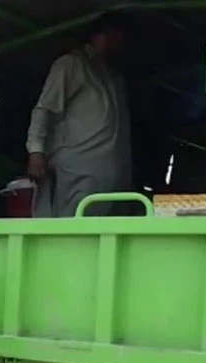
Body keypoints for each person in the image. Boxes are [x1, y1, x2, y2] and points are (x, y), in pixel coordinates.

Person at [26, 12, 133, 218]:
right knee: (74, 229)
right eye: (120, 35)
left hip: (114, 173)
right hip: (78, 170)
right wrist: (36, 152)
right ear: (106, 34)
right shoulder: (72, 64)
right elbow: (44, 109)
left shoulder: (114, 77)